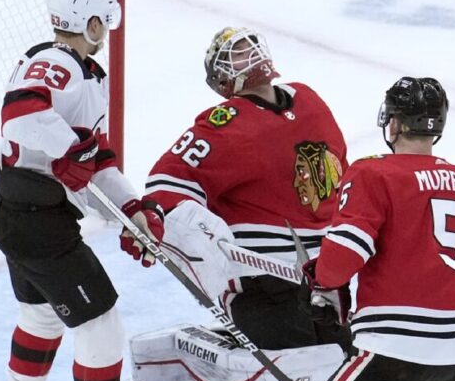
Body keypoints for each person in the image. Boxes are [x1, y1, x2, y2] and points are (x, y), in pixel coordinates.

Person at [0, 0, 164, 381]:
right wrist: (68, 149)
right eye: (101, 18)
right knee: (101, 324)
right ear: (87, 22)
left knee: (41, 315)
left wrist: (133, 208)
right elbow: (19, 114)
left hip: (21, 211)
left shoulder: (83, 72)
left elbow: (93, 156)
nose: (106, 27)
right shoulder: (56, 62)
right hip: (34, 216)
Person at [292, 77, 455, 381]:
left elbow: (342, 257)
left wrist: (322, 283)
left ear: (394, 123)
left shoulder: (373, 172)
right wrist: (449, 346)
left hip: (394, 351)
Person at [143, 26, 349, 350]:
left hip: (303, 277)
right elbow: (164, 186)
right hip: (294, 278)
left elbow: (163, 187)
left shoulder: (290, 104)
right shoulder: (243, 118)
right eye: (238, 53)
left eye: (247, 48)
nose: (247, 56)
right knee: (323, 355)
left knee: (337, 353)